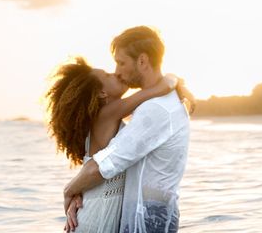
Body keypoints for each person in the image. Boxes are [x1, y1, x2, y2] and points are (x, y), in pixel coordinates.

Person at [45, 54, 194, 233]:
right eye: (107, 76)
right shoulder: (107, 114)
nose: (115, 74)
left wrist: (77, 188)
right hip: (98, 212)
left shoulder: (112, 117)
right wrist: (176, 82)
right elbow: (154, 91)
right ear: (102, 93)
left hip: (100, 206)